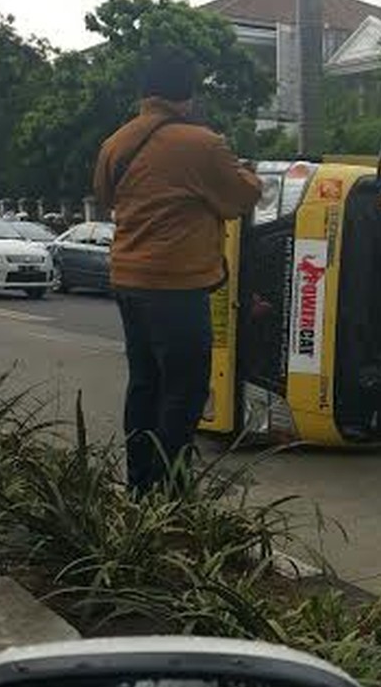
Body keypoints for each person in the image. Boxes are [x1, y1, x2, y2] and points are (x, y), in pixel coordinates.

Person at [94, 45, 262, 495]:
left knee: (145, 384)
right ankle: (168, 493)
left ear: (145, 93)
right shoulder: (202, 143)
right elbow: (243, 197)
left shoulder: (116, 142)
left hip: (128, 279)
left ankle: (138, 487)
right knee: (184, 391)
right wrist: (247, 172)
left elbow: (108, 197)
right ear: (187, 95)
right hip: (176, 286)